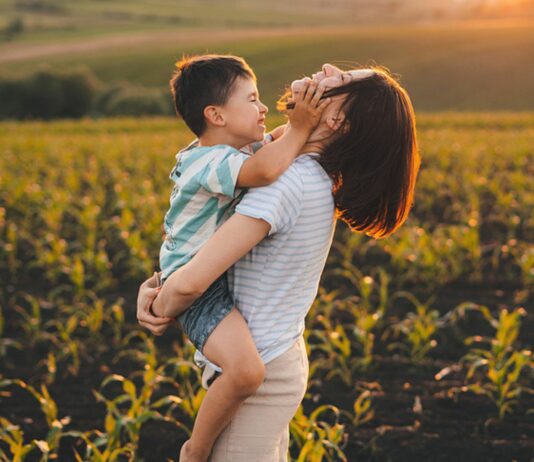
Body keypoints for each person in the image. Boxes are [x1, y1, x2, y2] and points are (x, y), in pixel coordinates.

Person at [138, 63, 420, 461]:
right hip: (277, 362)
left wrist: (157, 305)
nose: (326, 69)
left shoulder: (284, 182)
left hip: (259, 378)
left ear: (336, 119)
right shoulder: (308, 173)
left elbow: (189, 284)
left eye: (338, 79)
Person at [141, 54, 331, 462]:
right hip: (198, 287)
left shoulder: (237, 148)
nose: (263, 108)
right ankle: (196, 449)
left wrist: (304, 122)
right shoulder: (210, 162)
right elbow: (267, 169)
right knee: (246, 373)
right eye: (252, 98)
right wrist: (301, 127)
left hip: (205, 279)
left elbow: (281, 143)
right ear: (216, 115)